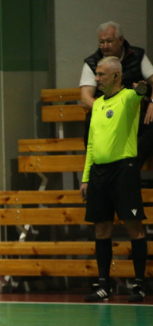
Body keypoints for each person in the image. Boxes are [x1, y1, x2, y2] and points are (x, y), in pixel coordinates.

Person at [80, 56, 151, 303]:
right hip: (99, 174)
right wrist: (86, 178)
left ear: (116, 76)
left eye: (101, 74)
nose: (96, 78)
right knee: (102, 229)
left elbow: (140, 93)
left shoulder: (128, 98)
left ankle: (139, 285)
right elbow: (91, 144)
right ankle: (103, 286)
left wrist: (142, 89)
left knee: (134, 226)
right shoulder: (98, 104)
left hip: (124, 171)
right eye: (96, 74)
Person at [80, 21, 153, 167]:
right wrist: (107, 109)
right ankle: (95, 166)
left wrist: (152, 102)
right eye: (101, 42)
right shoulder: (92, 62)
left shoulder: (138, 56)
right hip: (105, 112)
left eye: (109, 41)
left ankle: (133, 165)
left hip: (133, 113)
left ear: (121, 40)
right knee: (90, 121)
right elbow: (85, 98)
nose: (105, 46)